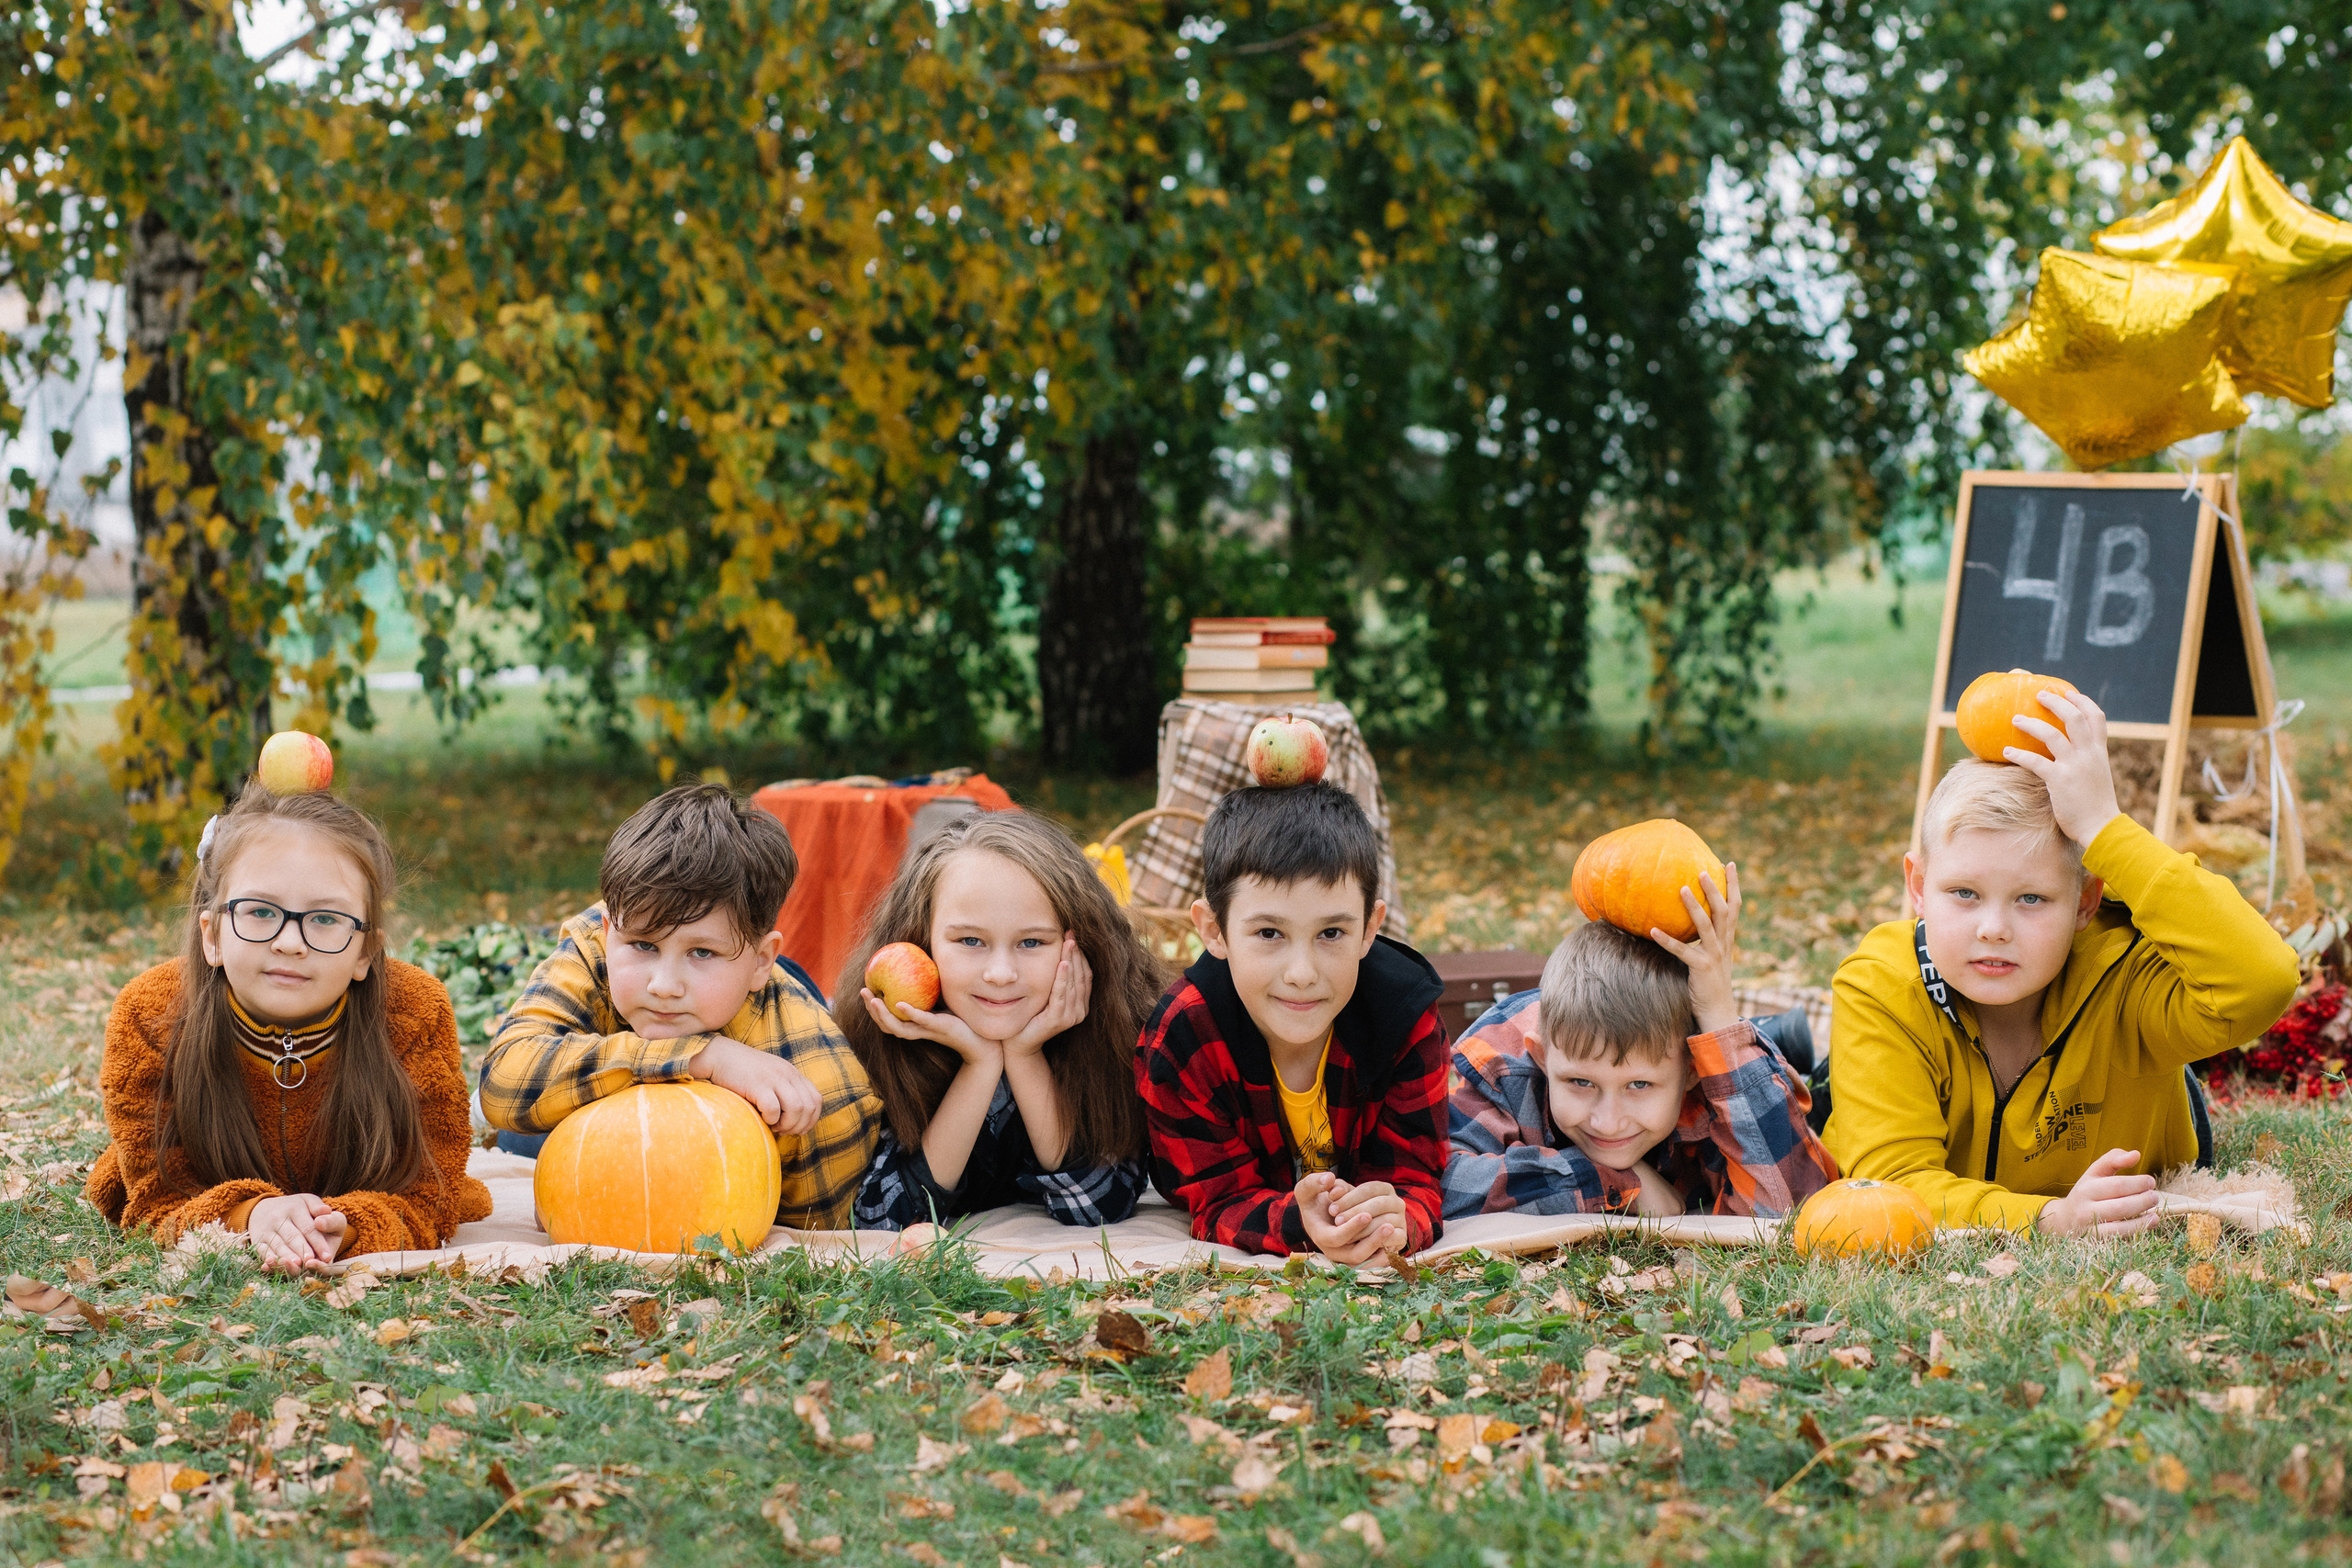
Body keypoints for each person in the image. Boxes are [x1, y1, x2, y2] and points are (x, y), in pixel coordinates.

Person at [1825, 685, 2301, 1234]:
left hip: (2144, 1084)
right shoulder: (1881, 984)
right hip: (1901, 1068)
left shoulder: (2125, 975)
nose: (1993, 930)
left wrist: (2105, 829)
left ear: (2086, 901)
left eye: (2032, 899)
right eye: (1963, 894)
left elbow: (2263, 978)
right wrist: (2050, 1218)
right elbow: (1891, 1184)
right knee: (1825, 1096)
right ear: (1919, 886)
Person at [87, 787, 491, 1273]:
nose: (290, 942)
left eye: (324, 918)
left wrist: (351, 1227)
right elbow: (158, 1202)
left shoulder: (414, 1011)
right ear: (212, 935)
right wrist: (249, 1215)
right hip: (216, 1192)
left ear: (366, 951)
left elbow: (432, 1194)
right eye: (260, 911)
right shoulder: (150, 1015)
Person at [479, 783, 879, 1229]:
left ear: (760, 962)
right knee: (521, 1128)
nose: (664, 986)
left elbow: (818, 1220)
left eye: (701, 953)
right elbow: (503, 1084)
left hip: (764, 1017)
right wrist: (705, 1056)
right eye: (643, 946)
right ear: (611, 929)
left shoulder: (816, 1072)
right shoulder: (600, 941)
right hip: (604, 1073)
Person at [1136, 782, 1447, 1262]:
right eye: (1268, 932)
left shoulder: (1405, 1019)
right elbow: (1216, 1200)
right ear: (1213, 930)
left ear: (1370, 928)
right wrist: (1301, 1225)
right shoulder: (1183, 1040)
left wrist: (1400, 1219)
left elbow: (1416, 1179)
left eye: (1331, 932)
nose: (1301, 974)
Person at [1442, 866, 1838, 1220]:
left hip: (1713, 1051)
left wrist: (1718, 1016)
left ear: (1690, 1072)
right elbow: (1437, 1184)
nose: (1607, 1122)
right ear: (1542, 1056)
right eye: (1581, 1083)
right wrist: (1613, 1184)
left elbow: (1788, 1209)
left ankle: (1790, 1058)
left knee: (1793, 1094)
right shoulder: (1502, 1060)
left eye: (1639, 1085)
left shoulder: (1712, 1071)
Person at [839, 812, 1159, 1235]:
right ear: (921, 938)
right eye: (970, 941)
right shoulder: (881, 1041)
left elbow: (1099, 1207)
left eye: (1031, 942)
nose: (1000, 973)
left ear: (1080, 945)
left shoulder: (1112, 1030)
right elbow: (879, 1219)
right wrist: (979, 1064)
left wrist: (1025, 1056)